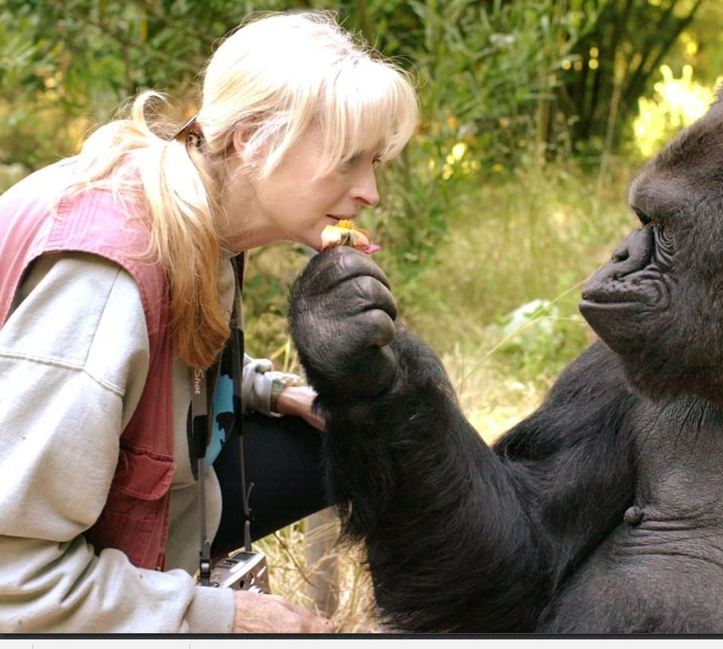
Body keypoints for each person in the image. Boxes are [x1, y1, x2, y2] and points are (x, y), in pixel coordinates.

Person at [0, 10, 418, 633]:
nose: (370, 192)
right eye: (348, 160)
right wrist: (222, 615)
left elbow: (156, 366)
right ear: (252, 138)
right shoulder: (105, 281)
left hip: (113, 500)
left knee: (366, 435)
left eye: (375, 162)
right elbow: (13, 579)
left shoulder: (196, 207)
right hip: (30, 569)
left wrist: (268, 390)